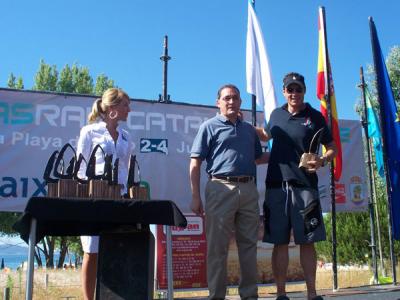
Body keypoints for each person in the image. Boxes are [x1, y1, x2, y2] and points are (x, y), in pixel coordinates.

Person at [257, 72, 336, 300]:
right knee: (279, 242)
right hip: (276, 186)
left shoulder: (315, 117)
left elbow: (331, 147)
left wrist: (322, 160)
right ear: (284, 92)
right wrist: (240, 123)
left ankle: (312, 293)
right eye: (290, 89)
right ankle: (281, 294)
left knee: (308, 242)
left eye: (298, 89)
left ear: (304, 90)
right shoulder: (276, 114)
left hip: (305, 187)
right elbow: (265, 134)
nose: (294, 93)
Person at [190, 84, 268, 300]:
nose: (231, 101)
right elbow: (195, 163)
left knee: (249, 247)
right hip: (219, 188)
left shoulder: (249, 130)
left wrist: (286, 152)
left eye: (235, 98)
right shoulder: (209, 127)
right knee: (217, 248)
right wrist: (195, 196)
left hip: (249, 189)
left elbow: (258, 158)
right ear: (218, 103)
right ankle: (216, 296)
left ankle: (250, 295)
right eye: (226, 98)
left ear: (241, 102)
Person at [76, 88, 133, 300]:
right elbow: (80, 168)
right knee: (92, 251)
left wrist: (127, 193)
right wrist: (86, 196)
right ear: (112, 108)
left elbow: (126, 168)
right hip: (95, 196)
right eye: (125, 105)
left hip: (119, 198)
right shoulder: (89, 131)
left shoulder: (126, 136)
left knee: (116, 249)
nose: (129, 109)